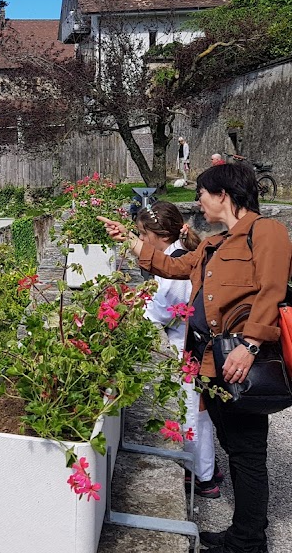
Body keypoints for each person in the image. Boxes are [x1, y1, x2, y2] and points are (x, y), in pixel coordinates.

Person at [99, 162, 292, 553]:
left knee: (247, 453)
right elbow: (170, 266)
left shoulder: (266, 232)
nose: (198, 202)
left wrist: (251, 344)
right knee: (234, 447)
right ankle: (243, 533)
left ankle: (250, 541)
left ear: (223, 195)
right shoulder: (214, 243)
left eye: (202, 193)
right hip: (210, 362)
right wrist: (129, 240)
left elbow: (272, 291)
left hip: (241, 361)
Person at [134, 202, 220, 497]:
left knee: (193, 414)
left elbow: (161, 312)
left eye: (142, 235)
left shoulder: (175, 262)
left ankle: (203, 477)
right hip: (189, 343)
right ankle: (207, 468)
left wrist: (138, 306)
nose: (142, 241)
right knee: (197, 412)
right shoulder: (177, 255)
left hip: (185, 347)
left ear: (158, 235)